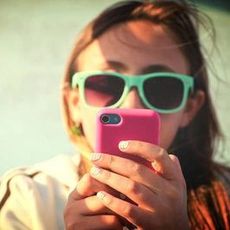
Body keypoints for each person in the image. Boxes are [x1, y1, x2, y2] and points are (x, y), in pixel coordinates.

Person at [0, 0, 229, 229]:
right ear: (74, 104)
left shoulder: (226, 194)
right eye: (105, 84)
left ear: (189, 108)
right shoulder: (29, 198)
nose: (131, 105)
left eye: (162, 88)